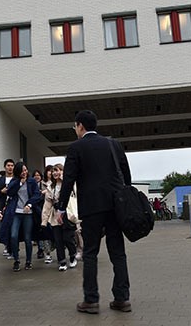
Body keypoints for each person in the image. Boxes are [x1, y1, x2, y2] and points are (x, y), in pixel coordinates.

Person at [56, 110, 133, 314]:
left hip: (91, 207)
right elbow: (126, 174)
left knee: (90, 252)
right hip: (115, 205)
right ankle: (122, 299)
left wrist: (61, 207)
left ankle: (91, 301)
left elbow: (68, 180)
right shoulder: (113, 144)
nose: (75, 130)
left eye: (75, 127)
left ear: (80, 126)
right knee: (118, 252)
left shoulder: (75, 148)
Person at [0, 161, 41, 271]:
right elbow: (10, 192)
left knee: (27, 238)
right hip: (16, 212)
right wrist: (20, 183)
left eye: (26, 170)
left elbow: (37, 195)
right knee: (13, 235)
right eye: (22, 171)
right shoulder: (15, 181)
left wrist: (29, 204)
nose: (24, 173)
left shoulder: (32, 182)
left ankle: (28, 261)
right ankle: (16, 260)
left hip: (28, 213)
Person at [46, 163, 77, 271]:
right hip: (55, 216)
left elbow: (74, 193)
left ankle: (73, 255)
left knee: (68, 238)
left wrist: (64, 178)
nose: (55, 173)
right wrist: (44, 220)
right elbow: (47, 204)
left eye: (58, 170)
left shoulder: (69, 184)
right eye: (53, 171)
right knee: (58, 240)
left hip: (67, 215)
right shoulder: (51, 187)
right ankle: (62, 261)